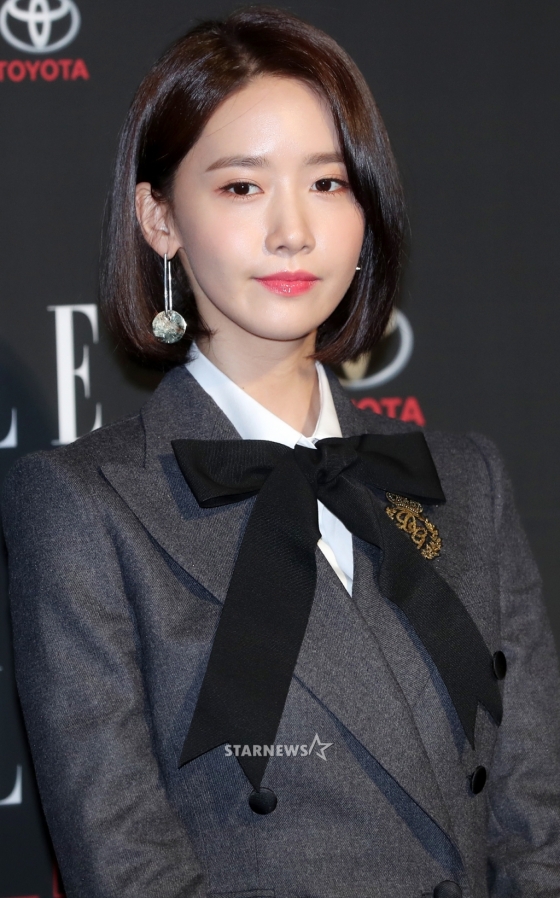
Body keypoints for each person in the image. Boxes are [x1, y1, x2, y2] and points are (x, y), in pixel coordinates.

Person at [2, 7, 560, 898]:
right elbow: (129, 866)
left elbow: (537, 824)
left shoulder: (465, 481)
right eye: (241, 187)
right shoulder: (82, 507)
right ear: (159, 218)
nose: (293, 229)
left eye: (329, 182)